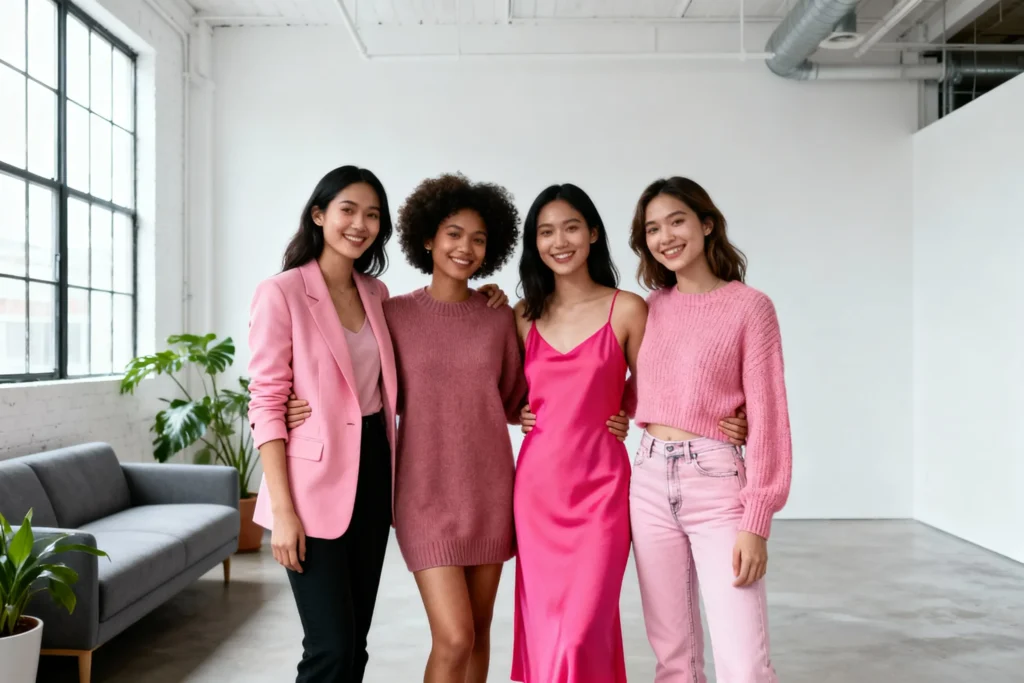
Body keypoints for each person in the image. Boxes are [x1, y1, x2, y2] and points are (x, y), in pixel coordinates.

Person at [247, 166, 507, 683]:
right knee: (330, 648)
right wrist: (281, 510)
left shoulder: (376, 295)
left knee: (355, 647)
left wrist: (495, 300)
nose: (360, 224)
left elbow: (423, 375)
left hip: (374, 474)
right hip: (313, 485)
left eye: (372, 215)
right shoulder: (282, 292)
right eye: (348, 210)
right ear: (319, 215)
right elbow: (267, 399)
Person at [511, 184, 749, 683]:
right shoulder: (523, 315)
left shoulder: (628, 308)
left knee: (583, 628)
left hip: (603, 490)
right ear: (534, 243)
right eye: (546, 232)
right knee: (546, 628)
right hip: (536, 493)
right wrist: (517, 413)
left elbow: (663, 381)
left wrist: (729, 414)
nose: (560, 241)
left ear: (593, 234)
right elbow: (502, 389)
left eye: (571, 227)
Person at [628, 177, 792, 683]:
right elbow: (641, 387)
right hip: (648, 480)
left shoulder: (750, 307)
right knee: (674, 659)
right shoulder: (650, 308)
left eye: (676, 220)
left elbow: (769, 416)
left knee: (743, 663)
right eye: (652, 228)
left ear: (706, 224)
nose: (665, 236)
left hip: (717, 481)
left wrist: (756, 519)